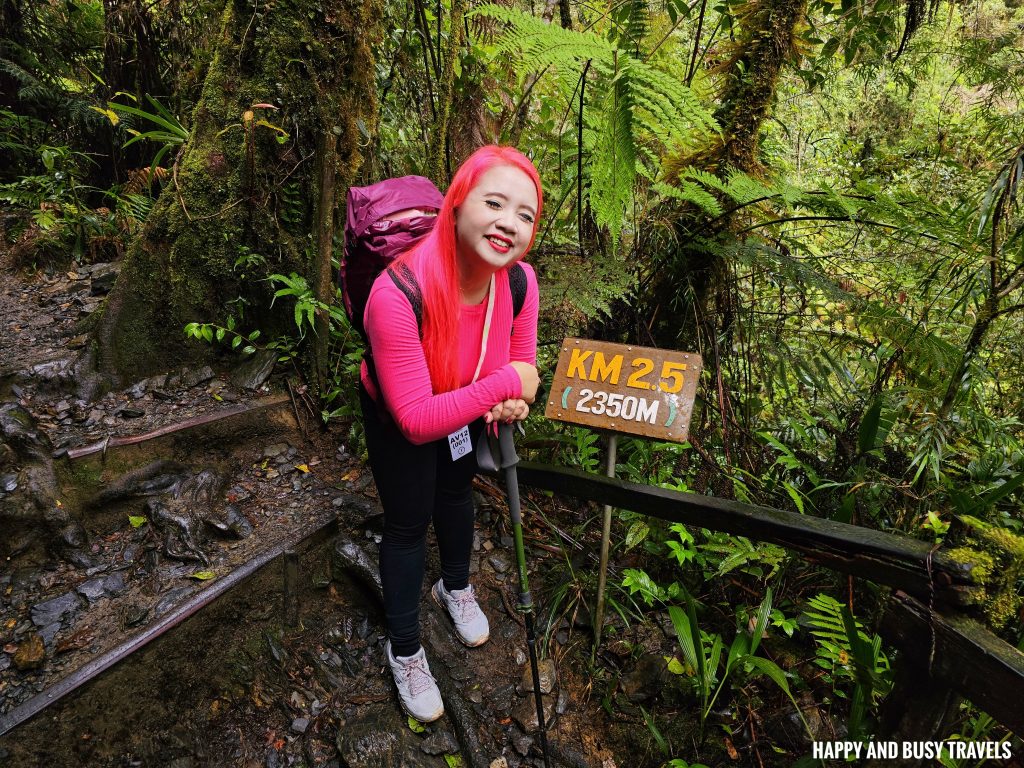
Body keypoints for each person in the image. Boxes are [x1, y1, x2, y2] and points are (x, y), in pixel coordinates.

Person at [359, 145, 543, 723]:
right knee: (409, 523)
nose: (509, 223)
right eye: (495, 203)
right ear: (458, 204)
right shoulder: (396, 294)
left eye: (525, 215)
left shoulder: (517, 282)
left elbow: (521, 358)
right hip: (400, 419)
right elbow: (415, 420)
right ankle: (406, 647)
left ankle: (454, 587)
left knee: (457, 494)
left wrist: (512, 393)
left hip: (463, 412)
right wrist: (505, 386)